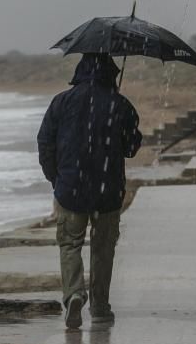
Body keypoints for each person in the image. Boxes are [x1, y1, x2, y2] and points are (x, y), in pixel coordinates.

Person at [37, 53, 142, 329]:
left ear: (80, 71)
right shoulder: (120, 105)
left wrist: (56, 179)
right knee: (103, 248)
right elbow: (132, 147)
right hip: (108, 191)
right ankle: (100, 306)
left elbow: (44, 141)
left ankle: (73, 294)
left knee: (70, 244)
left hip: (70, 189)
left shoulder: (62, 101)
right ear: (112, 73)